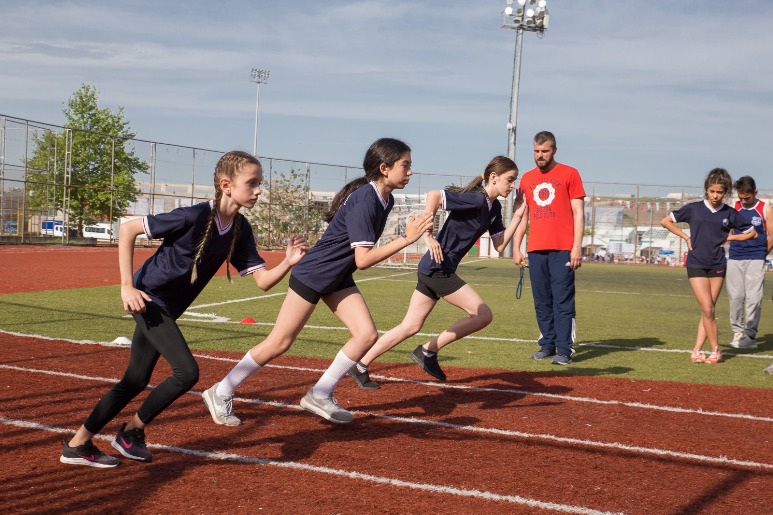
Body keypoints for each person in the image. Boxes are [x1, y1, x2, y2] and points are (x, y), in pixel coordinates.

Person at [60, 151, 308, 468]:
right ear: (226, 185)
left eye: (260, 183)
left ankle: (80, 443)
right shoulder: (193, 216)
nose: (258, 190)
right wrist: (126, 286)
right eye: (253, 183)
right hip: (148, 299)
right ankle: (131, 431)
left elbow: (262, 282)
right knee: (187, 373)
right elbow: (127, 229)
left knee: (135, 380)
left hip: (166, 308)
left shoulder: (239, 229)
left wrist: (288, 262)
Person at [202, 138, 435, 425]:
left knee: (366, 335)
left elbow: (355, 257)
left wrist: (408, 237)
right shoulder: (366, 199)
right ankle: (221, 390)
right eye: (406, 165)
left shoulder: (384, 199)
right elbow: (363, 260)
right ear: (385, 168)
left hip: (336, 275)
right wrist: (407, 238)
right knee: (279, 342)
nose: (410, 171)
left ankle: (320, 393)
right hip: (314, 274)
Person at [347, 156, 526, 388]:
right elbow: (434, 196)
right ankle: (428, 351)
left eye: (514, 181)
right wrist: (428, 235)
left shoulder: (494, 208)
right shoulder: (475, 199)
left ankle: (360, 365)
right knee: (483, 315)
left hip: (436, 267)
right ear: (494, 177)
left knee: (410, 326)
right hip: (436, 268)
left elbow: (500, 245)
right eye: (509, 180)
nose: (512, 186)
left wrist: (519, 216)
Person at [661, 168, 756, 365]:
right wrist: (686, 237)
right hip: (696, 263)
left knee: (708, 310)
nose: (715, 195)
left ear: (726, 192)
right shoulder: (694, 208)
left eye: (719, 192)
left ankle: (696, 351)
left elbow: (752, 232)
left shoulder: (730, 213)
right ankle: (716, 350)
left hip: (718, 264)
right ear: (706, 190)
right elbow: (666, 221)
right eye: (712, 191)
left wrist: (730, 237)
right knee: (707, 308)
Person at [512, 131, 586, 365]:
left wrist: (576, 247)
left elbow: (578, 213)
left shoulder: (570, 173)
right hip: (536, 250)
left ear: (554, 150)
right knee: (541, 300)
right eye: (536, 151)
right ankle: (547, 345)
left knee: (562, 300)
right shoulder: (527, 178)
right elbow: (522, 216)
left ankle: (564, 350)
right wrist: (516, 248)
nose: (540, 155)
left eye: (544, 151)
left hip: (563, 249)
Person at [725, 176, 772, 353]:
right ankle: (737, 333)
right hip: (735, 257)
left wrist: (761, 255)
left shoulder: (765, 209)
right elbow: (728, 231)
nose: (743, 201)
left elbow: (772, 236)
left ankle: (750, 336)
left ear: (755, 192)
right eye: (741, 198)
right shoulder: (734, 207)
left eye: (747, 198)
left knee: (754, 298)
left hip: (756, 258)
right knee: (736, 297)